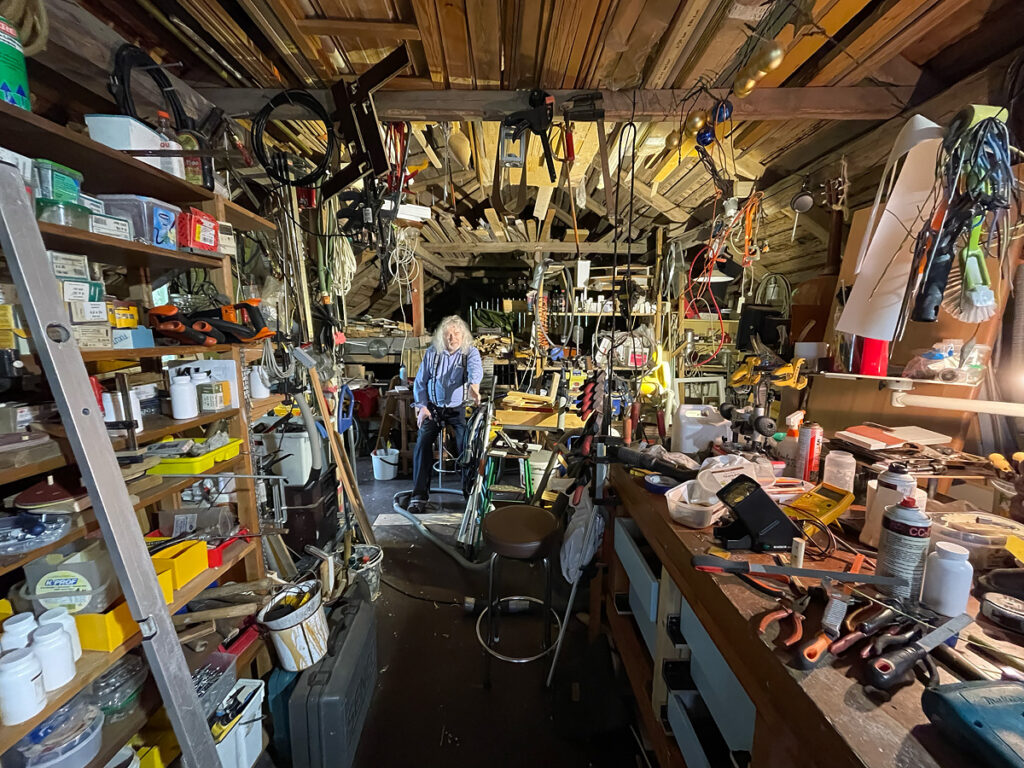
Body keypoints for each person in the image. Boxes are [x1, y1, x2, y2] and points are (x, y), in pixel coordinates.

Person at [409, 315, 482, 512]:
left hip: (457, 409)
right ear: (442, 337)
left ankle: (470, 495)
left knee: (466, 447)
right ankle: (418, 497)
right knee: (422, 444)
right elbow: (420, 381)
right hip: (433, 408)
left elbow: (476, 371)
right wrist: (422, 406)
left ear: (463, 335)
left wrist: (474, 387)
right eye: (448, 334)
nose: (452, 338)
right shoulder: (433, 352)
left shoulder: (470, 353)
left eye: (456, 333)